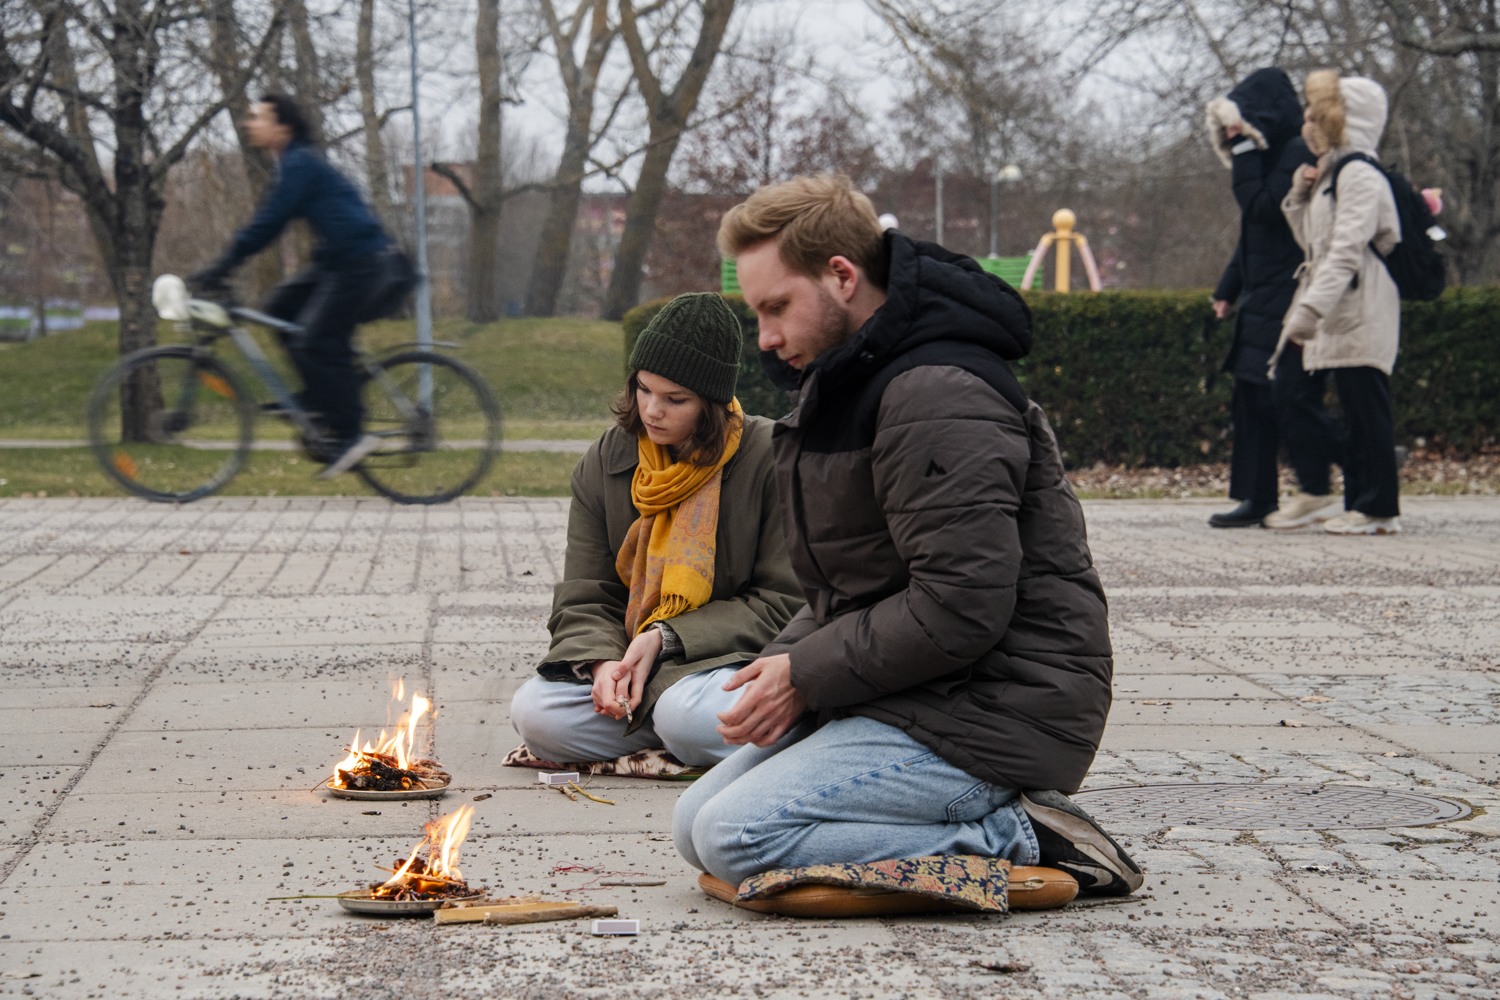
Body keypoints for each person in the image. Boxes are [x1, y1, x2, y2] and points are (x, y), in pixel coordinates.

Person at [671, 174, 1144, 897]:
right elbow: (854, 586)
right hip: (920, 690)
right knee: (692, 823)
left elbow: (962, 604)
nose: (764, 337)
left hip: (996, 711)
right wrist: (781, 665)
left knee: (737, 836)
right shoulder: (851, 380)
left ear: (841, 275)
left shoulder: (936, 393)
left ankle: (1026, 833)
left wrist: (805, 673)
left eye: (776, 308)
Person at [510, 293, 803, 768]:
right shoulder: (606, 462)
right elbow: (587, 594)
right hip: (637, 665)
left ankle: (689, 726)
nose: (651, 411)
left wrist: (666, 637)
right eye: (644, 389)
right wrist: (603, 664)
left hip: (728, 661)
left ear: (712, 402)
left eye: (675, 399)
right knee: (537, 714)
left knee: (686, 714)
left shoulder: (769, 457)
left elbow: (785, 602)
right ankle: (681, 728)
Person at [190, 93, 394, 478]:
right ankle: (317, 400)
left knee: (315, 339)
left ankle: (351, 433)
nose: (249, 123)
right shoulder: (290, 163)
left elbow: (269, 223)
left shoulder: (300, 164)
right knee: (279, 309)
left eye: (257, 117)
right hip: (336, 261)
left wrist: (222, 265)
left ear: (283, 126)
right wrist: (227, 262)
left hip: (362, 262)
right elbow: (266, 221)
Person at [1204, 68, 1340, 530]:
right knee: (1251, 398)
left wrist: (1242, 148)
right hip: (1260, 296)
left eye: (1239, 122)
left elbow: (1261, 209)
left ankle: (1337, 473)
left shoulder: (1296, 151)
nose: (1232, 132)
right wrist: (1228, 289)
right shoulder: (1271, 156)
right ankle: (1257, 496)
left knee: (1280, 398)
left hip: (1289, 293)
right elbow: (1252, 237)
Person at [1271, 71, 1402, 535]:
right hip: (1335, 302)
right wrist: (1300, 194)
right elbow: (1313, 242)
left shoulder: (1360, 173)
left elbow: (1347, 249)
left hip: (1359, 302)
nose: (1306, 122)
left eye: (1315, 114)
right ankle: (1358, 502)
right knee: (1312, 393)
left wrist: (1309, 311)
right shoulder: (1330, 173)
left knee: (1366, 403)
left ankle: (1378, 509)